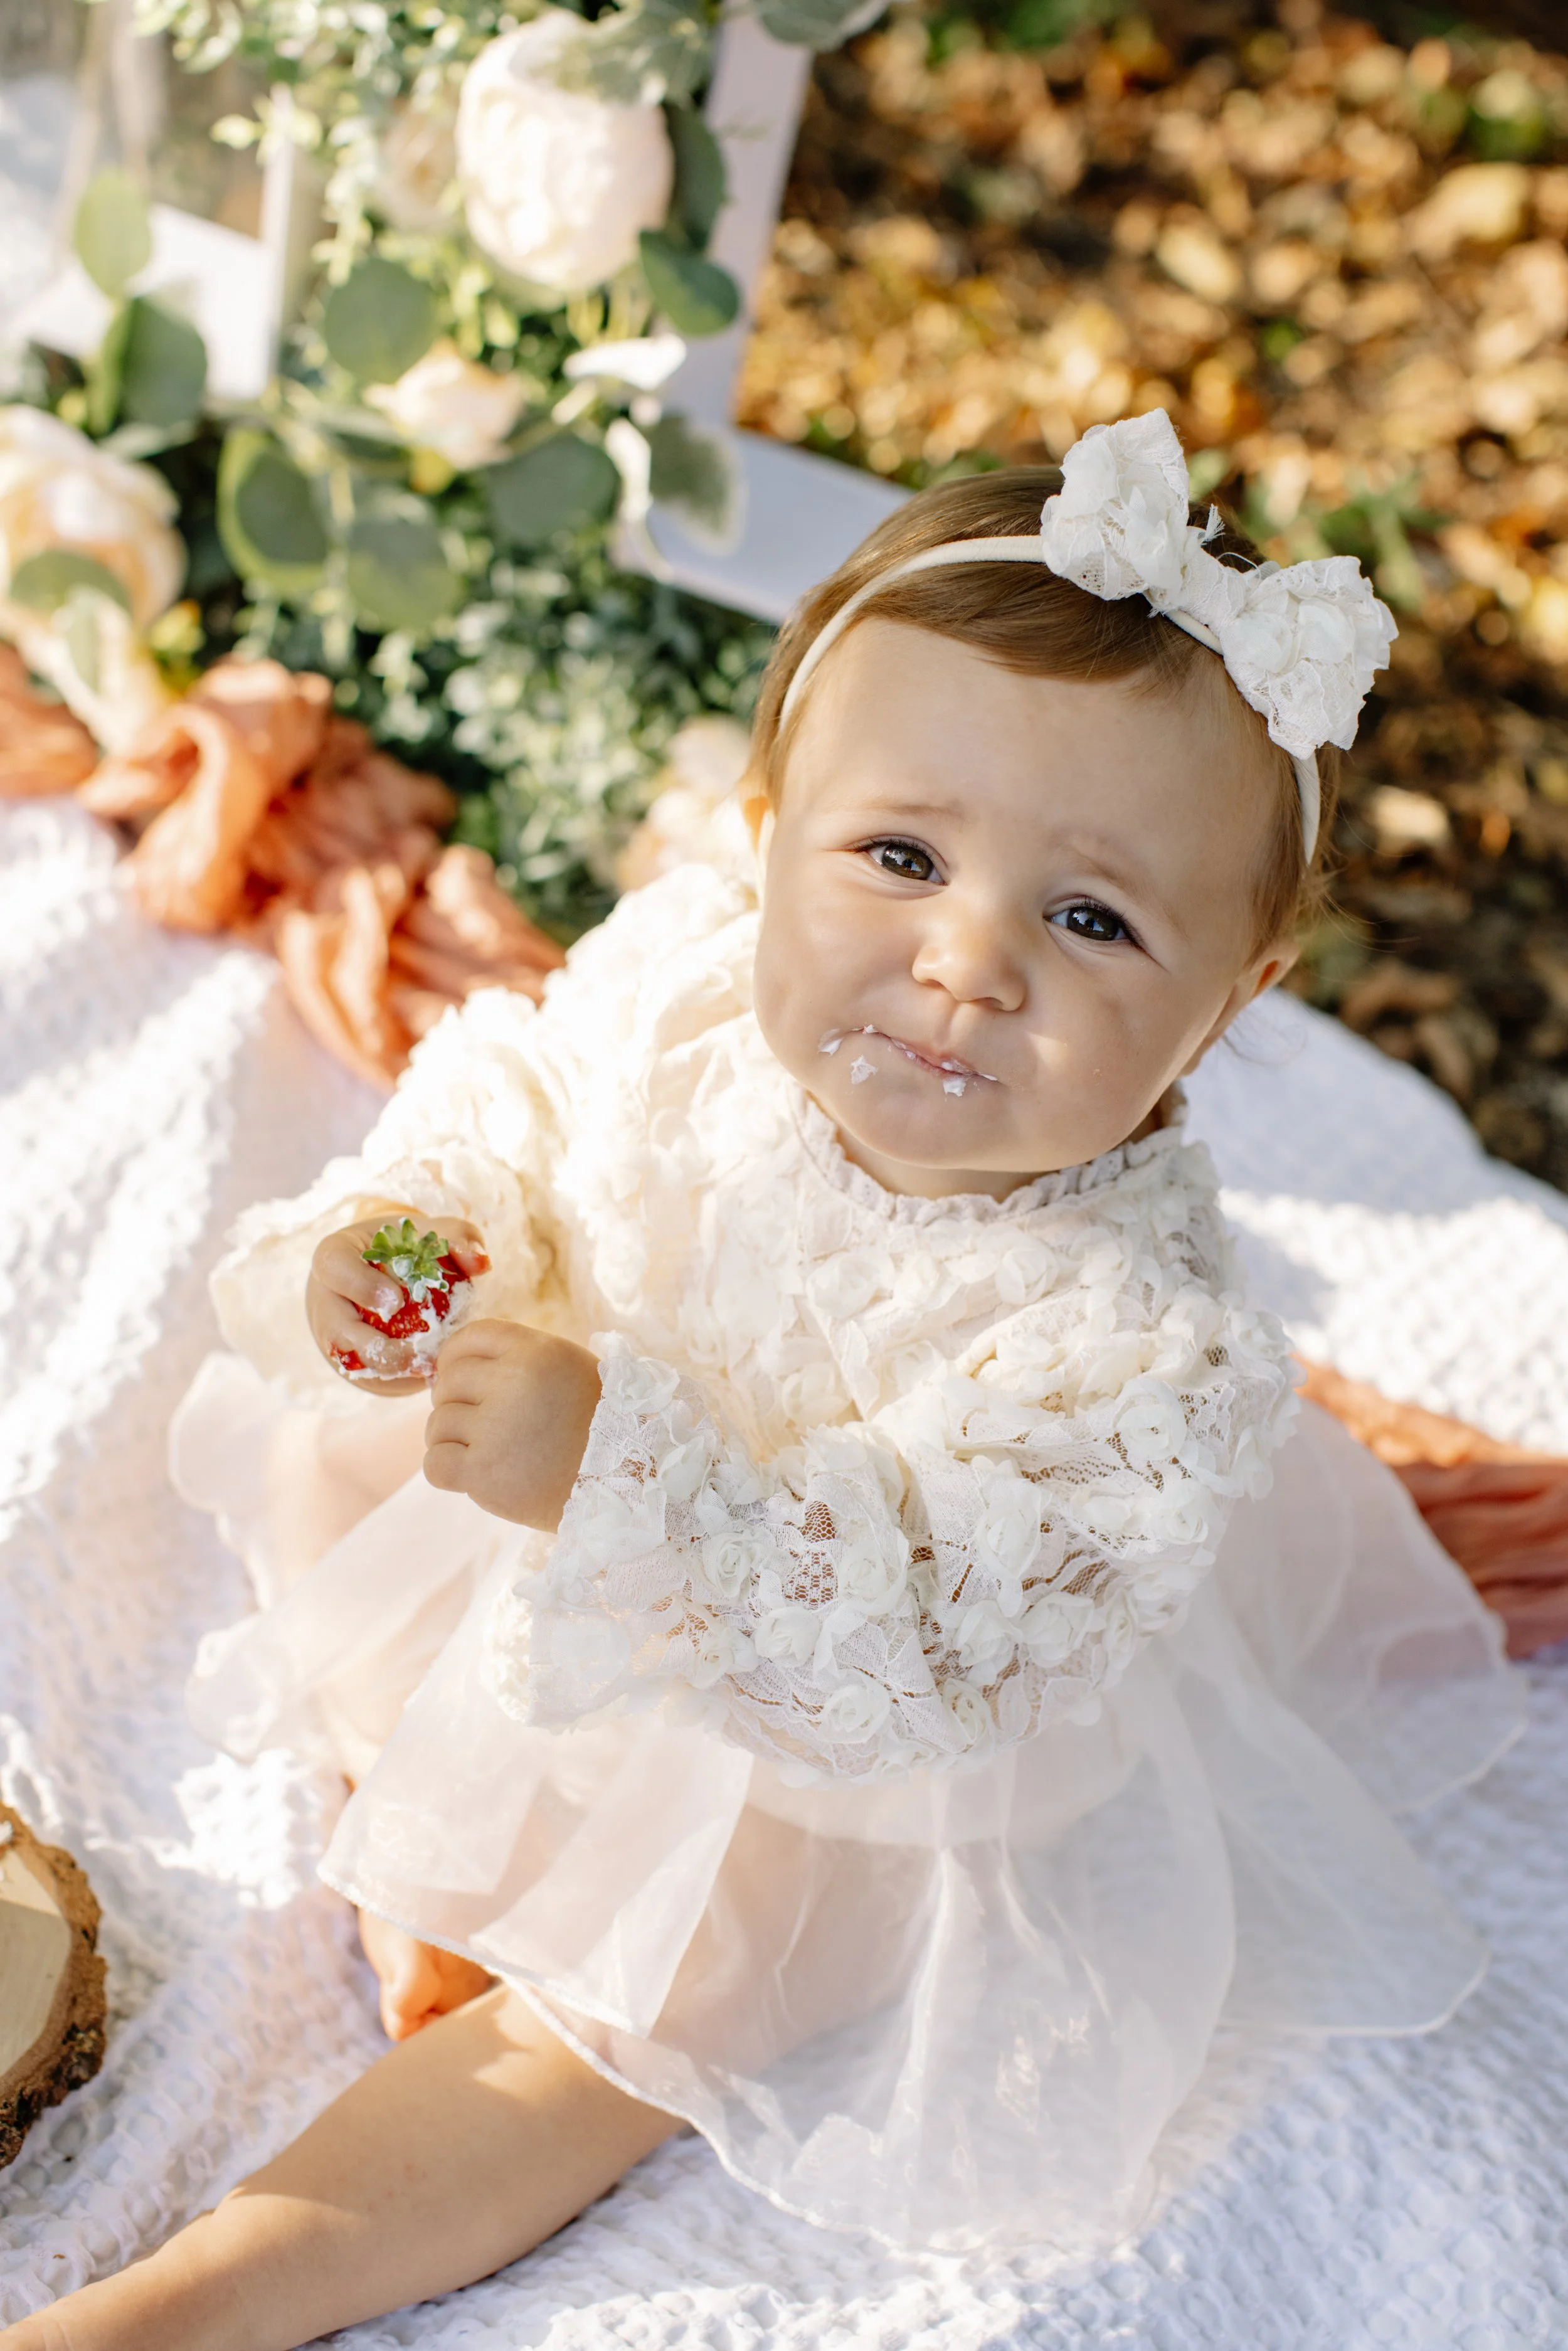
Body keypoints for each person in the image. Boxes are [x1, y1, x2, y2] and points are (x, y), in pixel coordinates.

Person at [7, 412, 1523, 2351]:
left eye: (1091, 918)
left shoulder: (1138, 1352)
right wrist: (417, 1233)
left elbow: (904, 1639)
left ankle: (219, 2287)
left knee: (649, 2007)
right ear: (767, 826)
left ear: (1231, 998)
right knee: (350, 1438)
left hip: (833, 1732)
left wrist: (616, 1466)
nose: (964, 960)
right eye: (896, 854)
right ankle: (433, 1847)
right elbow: (519, 1101)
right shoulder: (695, 986)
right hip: (568, 1540)